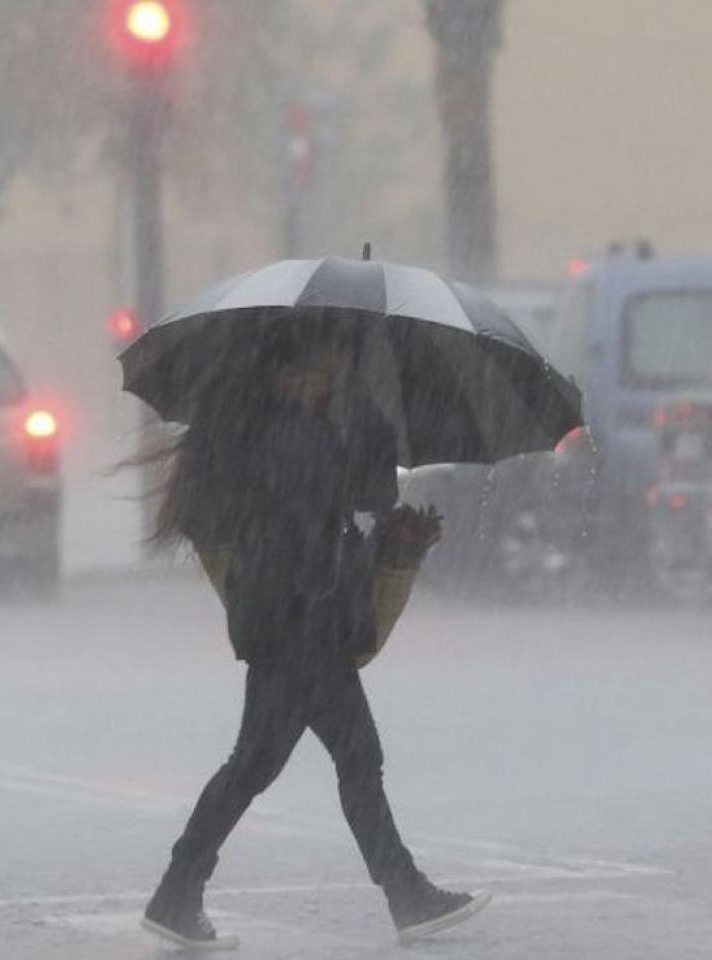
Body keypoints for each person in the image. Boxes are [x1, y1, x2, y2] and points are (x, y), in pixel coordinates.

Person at [141, 317, 490, 950]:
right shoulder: (295, 438)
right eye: (321, 369)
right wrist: (361, 418)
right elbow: (363, 491)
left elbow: (352, 501)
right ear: (287, 376)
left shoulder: (276, 433)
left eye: (331, 368)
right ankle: (404, 895)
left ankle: (179, 890)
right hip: (301, 625)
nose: (326, 379)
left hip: (291, 624)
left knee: (280, 765)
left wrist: (354, 417)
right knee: (326, 763)